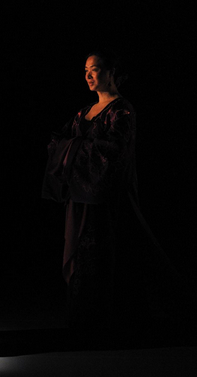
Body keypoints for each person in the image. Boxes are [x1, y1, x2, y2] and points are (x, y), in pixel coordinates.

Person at [42, 50, 192, 332]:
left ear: (111, 73)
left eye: (95, 69)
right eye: (85, 70)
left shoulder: (121, 111)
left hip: (105, 199)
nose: (88, 75)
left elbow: (113, 154)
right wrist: (70, 148)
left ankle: (104, 323)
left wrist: (73, 148)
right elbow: (57, 141)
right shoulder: (83, 113)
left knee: (102, 256)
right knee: (78, 255)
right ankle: (81, 322)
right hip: (80, 197)